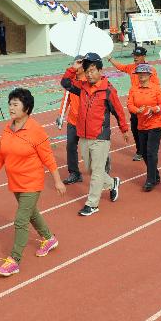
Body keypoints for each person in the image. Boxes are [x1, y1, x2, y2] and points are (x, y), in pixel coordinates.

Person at [0, 88, 66, 277]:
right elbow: (0, 155)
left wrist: (57, 181)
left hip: (32, 182)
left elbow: (48, 157)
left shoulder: (36, 130)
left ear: (26, 108)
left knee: (21, 220)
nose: (11, 108)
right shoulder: (8, 128)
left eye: (16, 104)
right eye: (10, 104)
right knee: (31, 213)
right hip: (15, 182)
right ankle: (49, 238)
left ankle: (14, 260)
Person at [60, 53, 129, 216]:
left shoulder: (108, 90)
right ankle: (113, 183)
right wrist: (74, 68)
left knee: (97, 172)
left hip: (100, 137)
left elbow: (118, 111)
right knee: (92, 170)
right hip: (83, 136)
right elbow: (65, 83)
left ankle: (92, 204)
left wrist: (124, 130)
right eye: (87, 71)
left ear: (100, 70)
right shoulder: (82, 87)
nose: (89, 74)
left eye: (92, 70)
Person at [107, 46, 161, 161]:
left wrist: (152, 104)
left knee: (147, 130)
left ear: (143, 56)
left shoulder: (150, 70)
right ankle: (140, 151)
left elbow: (156, 86)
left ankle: (148, 150)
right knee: (135, 128)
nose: (135, 58)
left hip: (147, 105)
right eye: (134, 55)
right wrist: (110, 58)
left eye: (138, 56)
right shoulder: (131, 67)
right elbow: (121, 67)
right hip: (135, 105)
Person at [127, 63, 161, 191]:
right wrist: (137, 110)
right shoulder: (133, 89)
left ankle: (151, 180)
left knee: (151, 152)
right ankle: (155, 174)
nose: (141, 76)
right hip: (141, 124)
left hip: (155, 124)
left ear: (150, 75)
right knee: (143, 152)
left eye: (144, 74)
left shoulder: (156, 89)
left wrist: (154, 109)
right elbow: (129, 105)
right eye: (139, 74)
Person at [61, 56, 86, 185]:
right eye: (74, 64)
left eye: (79, 64)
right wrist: (61, 115)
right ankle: (74, 173)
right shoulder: (71, 81)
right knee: (70, 146)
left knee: (90, 149)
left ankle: (103, 163)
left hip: (86, 122)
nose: (76, 67)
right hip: (72, 121)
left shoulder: (87, 81)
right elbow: (66, 100)